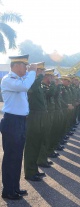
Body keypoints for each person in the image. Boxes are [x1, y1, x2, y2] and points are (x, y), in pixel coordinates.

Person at [0, 55, 37, 200]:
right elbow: (25, 86)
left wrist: (32, 72)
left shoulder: (19, 80)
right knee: (11, 157)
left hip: (20, 122)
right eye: (24, 65)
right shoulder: (8, 80)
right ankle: (8, 190)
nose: (26, 68)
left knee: (17, 157)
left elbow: (26, 83)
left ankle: (15, 187)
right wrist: (33, 72)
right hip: (12, 122)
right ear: (15, 65)